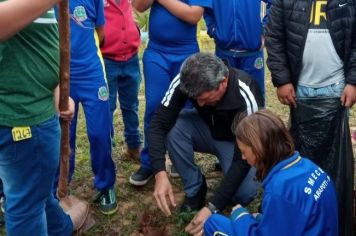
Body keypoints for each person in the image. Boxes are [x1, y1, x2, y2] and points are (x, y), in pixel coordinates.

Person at [265, 1, 356, 235]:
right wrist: (282, 79)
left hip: (335, 91)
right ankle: (303, 222)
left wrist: (354, 81)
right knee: (303, 165)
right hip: (300, 90)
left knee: (335, 168)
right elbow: (274, 36)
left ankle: (335, 221)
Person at [149, 53, 263, 223]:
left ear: (223, 82)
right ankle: (195, 188)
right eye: (196, 99)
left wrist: (212, 207)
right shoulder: (185, 80)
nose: (200, 104)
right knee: (173, 127)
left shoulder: (246, 90)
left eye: (204, 98)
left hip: (237, 144)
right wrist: (159, 172)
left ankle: (227, 181)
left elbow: (244, 159)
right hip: (206, 129)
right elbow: (158, 123)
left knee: (243, 193)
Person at [0, 0, 81, 234]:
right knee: (26, 205)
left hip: (36, 107)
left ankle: (60, 228)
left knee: (36, 188)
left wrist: (56, 92)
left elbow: (34, 45)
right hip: (21, 116)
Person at [202, 110, 338, 236]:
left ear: (258, 149)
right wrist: (261, 218)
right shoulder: (309, 166)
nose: (243, 157)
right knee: (257, 217)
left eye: (244, 152)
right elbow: (296, 216)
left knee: (213, 223)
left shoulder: (278, 190)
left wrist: (240, 217)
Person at [129, 0, 212, 186]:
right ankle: (150, 162)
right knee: (154, 105)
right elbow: (138, 6)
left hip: (186, 52)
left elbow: (193, 16)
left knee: (186, 107)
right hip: (157, 52)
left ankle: (180, 158)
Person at [53, 0, 117, 215]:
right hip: (59, 75)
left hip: (92, 74)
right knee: (64, 134)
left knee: (100, 132)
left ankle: (105, 184)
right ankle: (60, 187)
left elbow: (101, 32)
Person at [203, 0, 271, 100]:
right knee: (224, 97)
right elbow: (206, 8)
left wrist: (265, 28)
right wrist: (212, 29)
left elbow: (275, 3)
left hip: (252, 52)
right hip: (224, 51)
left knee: (255, 96)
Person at [101, 0, 142, 160]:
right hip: (107, 59)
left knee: (131, 105)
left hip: (131, 58)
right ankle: (106, 151)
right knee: (107, 106)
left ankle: (133, 145)